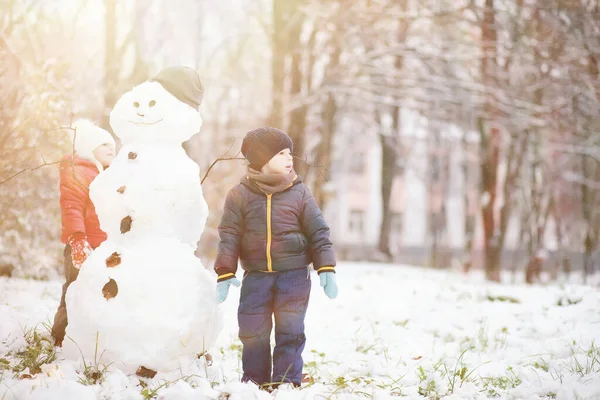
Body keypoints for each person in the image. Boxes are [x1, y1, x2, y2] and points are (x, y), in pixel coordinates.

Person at [214, 126, 338, 390]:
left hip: (293, 275)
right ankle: (255, 382)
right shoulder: (240, 195)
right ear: (261, 158)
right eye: (280, 153)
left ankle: (286, 382)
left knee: (290, 330)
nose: (289, 157)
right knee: (252, 330)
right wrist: (225, 271)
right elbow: (229, 235)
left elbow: (318, 231)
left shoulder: (299, 192)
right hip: (256, 276)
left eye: (289, 152)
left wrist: (325, 267)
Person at [51, 119, 116, 347]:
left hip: (105, 247)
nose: (111, 149)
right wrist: (77, 239)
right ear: (90, 147)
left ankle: (91, 340)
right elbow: (72, 208)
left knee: (101, 293)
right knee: (75, 289)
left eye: (112, 146)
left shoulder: (108, 176)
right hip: (82, 244)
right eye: (104, 145)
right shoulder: (77, 172)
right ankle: (60, 336)